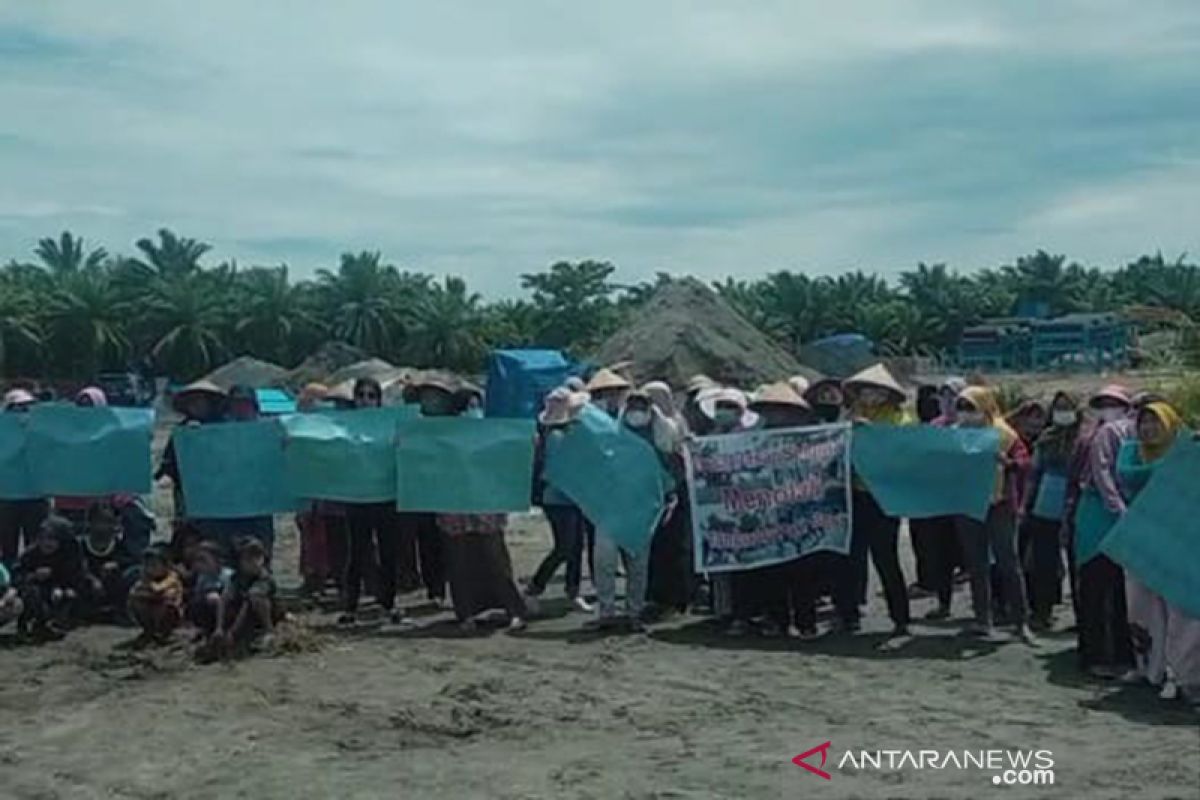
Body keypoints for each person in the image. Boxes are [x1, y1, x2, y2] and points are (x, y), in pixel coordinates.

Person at [1118, 402, 1199, 702]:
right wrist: (1178, 458)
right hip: (1141, 539)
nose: (1148, 429)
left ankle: (1184, 677)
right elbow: (1127, 475)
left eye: (1155, 423)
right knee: (1141, 608)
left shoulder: (1190, 454)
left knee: (1182, 613)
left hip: (1180, 542)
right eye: (1144, 422)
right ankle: (1149, 669)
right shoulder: (1130, 451)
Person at [429, 385, 526, 632]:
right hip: (455, 509)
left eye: (476, 406)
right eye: (467, 407)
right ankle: (466, 614)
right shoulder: (445, 437)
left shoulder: (490, 434)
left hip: (485, 507)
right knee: (459, 562)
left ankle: (513, 610)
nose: (473, 411)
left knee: (496, 559)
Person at [952, 387, 1036, 644]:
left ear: (986, 407)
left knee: (1008, 563)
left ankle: (1021, 622)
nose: (966, 414)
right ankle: (982, 620)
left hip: (999, 504)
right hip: (967, 505)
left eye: (971, 407)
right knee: (976, 564)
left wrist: (1008, 463)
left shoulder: (1005, 435)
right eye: (962, 408)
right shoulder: (955, 435)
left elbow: (1025, 462)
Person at [837, 364, 912, 642]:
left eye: (876, 391)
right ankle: (849, 614)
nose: (870, 395)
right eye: (865, 390)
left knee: (886, 558)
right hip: (854, 494)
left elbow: (902, 449)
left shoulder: (899, 418)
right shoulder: (850, 414)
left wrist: (873, 432)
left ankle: (901, 617)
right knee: (850, 556)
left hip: (884, 498)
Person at [748, 382, 827, 639]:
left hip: (802, 512)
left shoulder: (813, 435)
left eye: (782, 409)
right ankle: (777, 620)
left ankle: (806, 622)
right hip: (769, 512)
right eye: (771, 410)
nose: (777, 415)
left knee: (803, 569)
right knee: (773, 568)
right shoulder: (754, 436)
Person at [1073, 385, 1136, 677]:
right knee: (1098, 588)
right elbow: (1101, 474)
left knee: (1121, 592)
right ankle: (1096, 655)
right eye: (1103, 402)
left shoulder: (1134, 432)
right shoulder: (1103, 434)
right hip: (1100, 518)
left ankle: (1123, 654)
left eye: (1114, 402)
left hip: (1124, 518)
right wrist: (1120, 510)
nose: (1108, 408)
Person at [340, 376, 408, 628]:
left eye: (371, 395)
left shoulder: (391, 424)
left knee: (388, 553)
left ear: (379, 400)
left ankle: (388, 604)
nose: (366, 400)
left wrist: (402, 443)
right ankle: (350, 606)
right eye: (361, 395)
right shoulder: (343, 425)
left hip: (385, 496)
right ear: (354, 399)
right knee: (357, 553)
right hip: (356, 497)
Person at [697, 387, 762, 631]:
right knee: (720, 563)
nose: (724, 411)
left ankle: (744, 612)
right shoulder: (708, 437)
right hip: (716, 509)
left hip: (744, 508)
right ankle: (723, 610)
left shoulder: (751, 437)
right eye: (720, 406)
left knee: (744, 563)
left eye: (730, 407)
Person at [525, 387, 593, 614]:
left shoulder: (563, 434)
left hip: (573, 497)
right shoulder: (555, 437)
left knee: (575, 547)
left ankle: (573, 591)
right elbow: (558, 470)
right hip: (557, 498)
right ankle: (534, 589)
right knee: (564, 547)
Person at [1021, 392, 1081, 629]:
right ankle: (1042, 611)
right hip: (1045, 505)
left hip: (1074, 506)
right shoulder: (1046, 438)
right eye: (1058, 407)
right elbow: (1033, 475)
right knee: (1043, 562)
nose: (1062, 412)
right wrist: (1027, 505)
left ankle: (1082, 615)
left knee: (1078, 563)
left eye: (1067, 407)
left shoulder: (1084, 439)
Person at [642, 381, 692, 617]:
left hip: (673, 493)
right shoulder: (642, 425)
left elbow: (678, 458)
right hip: (650, 492)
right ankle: (655, 595)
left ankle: (674, 597)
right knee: (654, 547)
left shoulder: (673, 424)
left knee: (671, 546)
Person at [13, 515, 83, 640]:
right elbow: (16, 576)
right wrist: (34, 576)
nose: (46, 543)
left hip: (58, 592)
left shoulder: (70, 555)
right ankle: (33, 624)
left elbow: (75, 575)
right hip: (35, 592)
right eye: (42, 538)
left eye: (52, 539)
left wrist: (62, 587)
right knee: (32, 593)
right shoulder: (30, 554)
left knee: (71, 595)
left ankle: (58, 623)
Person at [0, 388, 48, 565]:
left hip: (36, 495)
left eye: (28, 406)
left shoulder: (42, 431)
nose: (24, 411)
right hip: (6, 497)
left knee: (36, 547)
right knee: (7, 548)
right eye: (18, 407)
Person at [53, 387, 111, 529]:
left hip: (98, 499)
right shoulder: (64, 431)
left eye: (90, 405)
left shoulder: (111, 433)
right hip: (67, 498)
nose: (85, 409)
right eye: (81, 405)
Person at [77, 502, 137, 622]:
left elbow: (134, 560)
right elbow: (74, 566)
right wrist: (91, 579)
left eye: (109, 521)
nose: (104, 526)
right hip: (89, 589)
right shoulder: (80, 545)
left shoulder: (120, 545)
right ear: (90, 522)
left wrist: (117, 564)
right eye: (100, 521)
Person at [220, 537, 280, 652]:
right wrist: (219, 628)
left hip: (265, 611)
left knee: (255, 596)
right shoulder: (237, 578)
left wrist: (233, 632)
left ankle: (269, 630)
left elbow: (249, 601)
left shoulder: (264, 578)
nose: (255, 563)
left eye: (258, 557)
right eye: (248, 559)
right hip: (242, 611)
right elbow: (224, 598)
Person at [127, 545, 185, 645]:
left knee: (166, 606)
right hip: (151, 609)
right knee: (136, 602)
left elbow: (159, 591)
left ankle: (163, 633)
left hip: (170, 613)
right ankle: (148, 631)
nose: (150, 569)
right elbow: (133, 593)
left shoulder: (172, 577)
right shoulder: (145, 579)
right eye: (147, 565)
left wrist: (147, 589)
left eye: (154, 565)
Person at [187, 541, 231, 643]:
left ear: (216, 560)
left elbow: (228, 595)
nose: (199, 564)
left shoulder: (227, 575)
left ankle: (220, 629)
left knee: (214, 598)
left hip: (226, 609)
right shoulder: (203, 577)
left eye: (203, 560)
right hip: (207, 609)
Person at [0, 560, 22, 630]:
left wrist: (3, 601)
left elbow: (12, 590)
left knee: (17, 604)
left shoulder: (2, 570)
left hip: (2, 599)